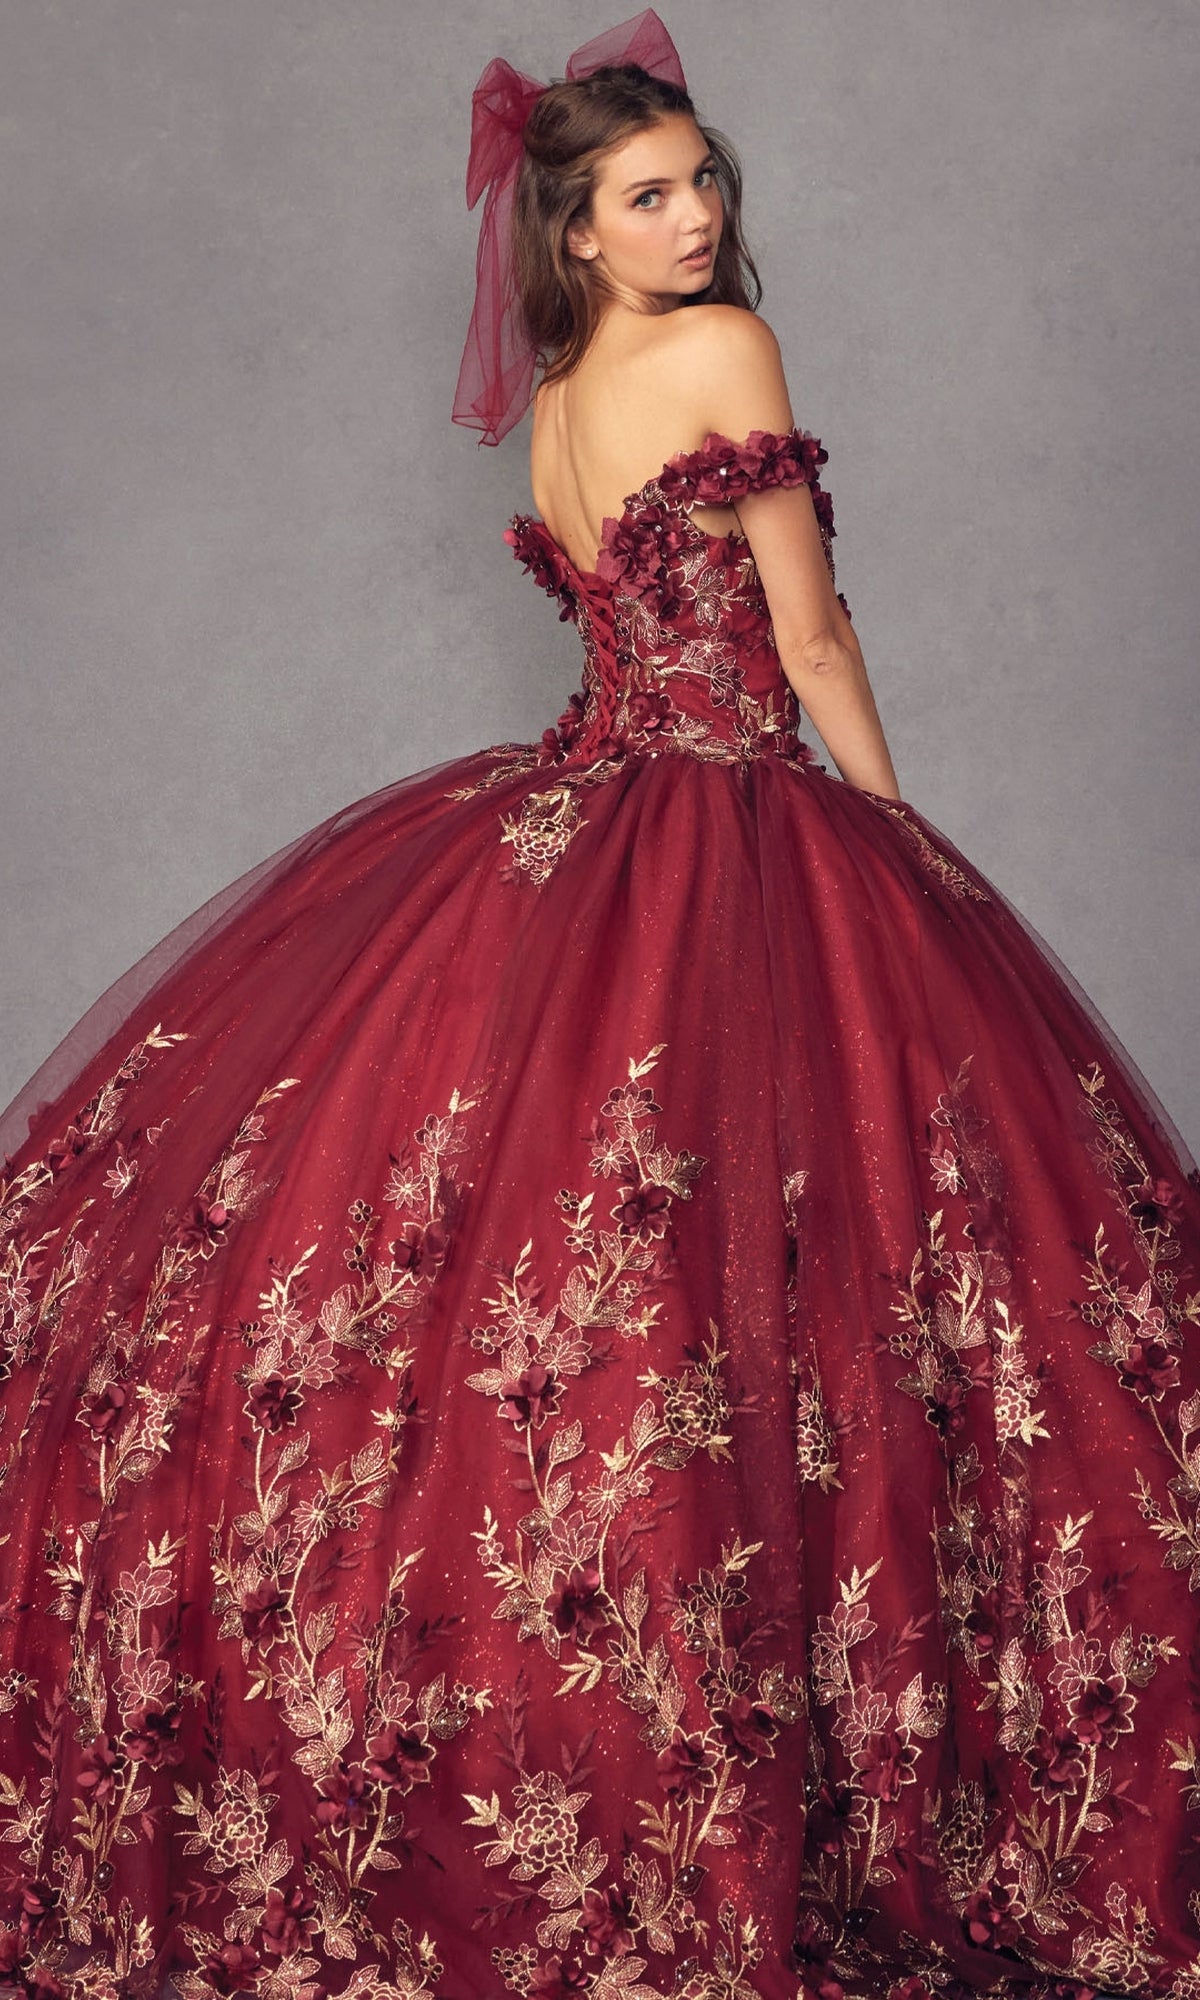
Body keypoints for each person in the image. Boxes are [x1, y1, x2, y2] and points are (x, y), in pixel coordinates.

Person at [0, 10, 1197, 1999]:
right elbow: (802, 627)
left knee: (592, 1286)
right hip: (735, 828)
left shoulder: (567, 396)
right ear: (574, 232)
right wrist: (905, 854)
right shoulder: (719, 358)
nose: (701, 213)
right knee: (826, 1278)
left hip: (575, 822)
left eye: (709, 178)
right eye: (651, 194)